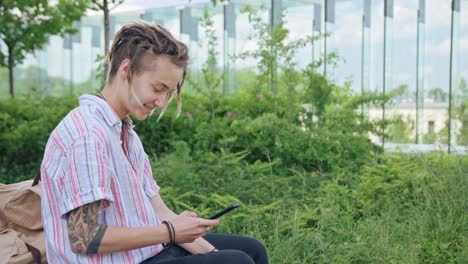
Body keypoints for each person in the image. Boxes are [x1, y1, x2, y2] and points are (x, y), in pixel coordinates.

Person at [39, 21, 268, 264]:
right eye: (158, 88)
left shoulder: (125, 134)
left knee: (251, 251)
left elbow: (159, 211)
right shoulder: (88, 135)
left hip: (145, 252)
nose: (160, 102)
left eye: (167, 93)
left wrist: (208, 251)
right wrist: (170, 231)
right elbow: (83, 238)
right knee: (235, 262)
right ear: (126, 70)